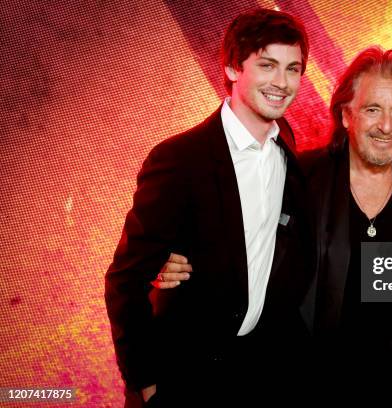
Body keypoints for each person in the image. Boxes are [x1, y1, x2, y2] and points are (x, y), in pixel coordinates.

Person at [158, 46, 392, 405]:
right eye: (372, 109)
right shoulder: (298, 177)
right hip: (307, 383)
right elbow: (239, 245)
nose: (386, 126)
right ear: (347, 115)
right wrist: (174, 259)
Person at [104, 8, 314, 407]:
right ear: (234, 68)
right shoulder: (180, 159)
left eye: (293, 69)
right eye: (267, 65)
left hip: (260, 376)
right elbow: (124, 280)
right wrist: (146, 382)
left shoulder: (288, 151)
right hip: (185, 380)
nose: (282, 83)